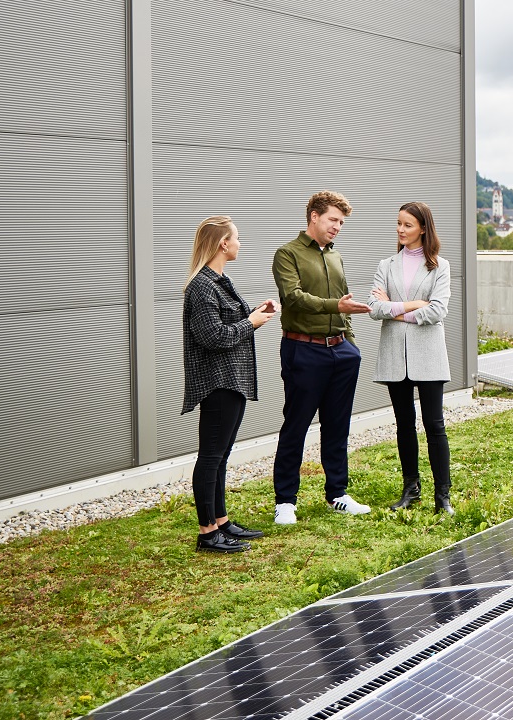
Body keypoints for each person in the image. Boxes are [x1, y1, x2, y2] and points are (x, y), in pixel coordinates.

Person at [270, 190, 372, 525]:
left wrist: (351, 345)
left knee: (338, 426)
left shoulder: (335, 256)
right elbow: (293, 298)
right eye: (333, 220)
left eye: (341, 222)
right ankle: (285, 501)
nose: (338, 227)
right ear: (314, 216)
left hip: (341, 351)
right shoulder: (287, 254)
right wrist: (336, 307)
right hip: (304, 349)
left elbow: (345, 304)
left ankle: (337, 494)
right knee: (296, 424)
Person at [182, 216, 280, 553]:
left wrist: (255, 313)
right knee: (210, 456)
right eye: (237, 238)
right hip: (217, 382)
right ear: (223, 243)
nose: (240, 243)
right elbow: (212, 336)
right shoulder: (203, 286)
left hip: (233, 378)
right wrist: (251, 322)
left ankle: (221, 522)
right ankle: (207, 533)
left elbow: (227, 324)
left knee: (221, 455)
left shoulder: (220, 280)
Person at [367, 202, 454, 514]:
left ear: (422, 228)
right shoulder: (386, 264)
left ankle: (442, 497)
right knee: (404, 424)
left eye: (407, 225)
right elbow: (374, 309)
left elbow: (437, 310)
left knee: (434, 424)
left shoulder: (439, 267)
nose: (401, 230)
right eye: (399, 224)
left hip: (429, 356)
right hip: (394, 356)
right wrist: (414, 303)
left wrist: (397, 309)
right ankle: (411, 489)